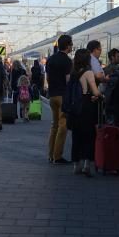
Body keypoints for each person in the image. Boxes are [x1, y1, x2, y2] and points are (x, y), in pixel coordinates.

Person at [69, 48, 102, 176]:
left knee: (76, 136)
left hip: (75, 108)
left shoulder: (73, 73)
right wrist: (100, 96)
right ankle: (86, 165)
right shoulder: (88, 73)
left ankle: (76, 165)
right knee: (88, 136)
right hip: (87, 107)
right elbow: (95, 91)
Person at [46, 35, 73, 164]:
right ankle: (57, 156)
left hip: (52, 95)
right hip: (62, 95)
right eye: (71, 45)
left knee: (54, 125)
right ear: (67, 46)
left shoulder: (50, 59)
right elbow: (68, 80)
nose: (72, 47)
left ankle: (50, 154)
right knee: (63, 126)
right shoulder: (67, 61)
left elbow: (47, 78)